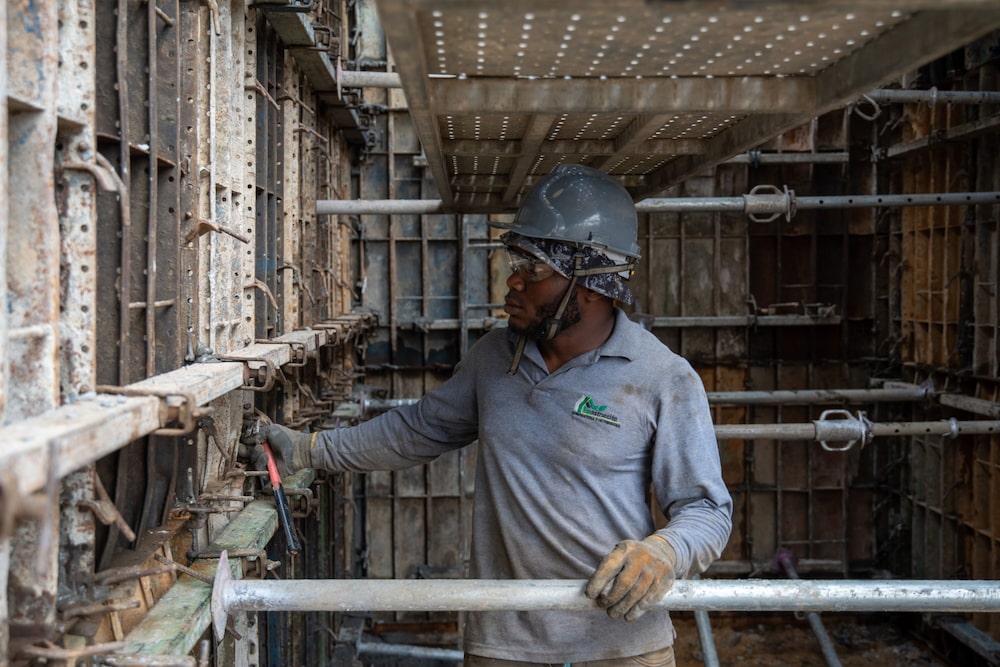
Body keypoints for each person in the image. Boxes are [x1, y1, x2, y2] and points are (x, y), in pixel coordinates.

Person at [245, 164, 732, 666]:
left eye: (535, 269)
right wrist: (310, 450)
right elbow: (418, 429)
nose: (513, 281)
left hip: (621, 644)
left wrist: (664, 552)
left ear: (593, 285)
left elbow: (707, 510)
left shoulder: (662, 377)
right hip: (505, 641)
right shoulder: (495, 358)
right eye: (515, 261)